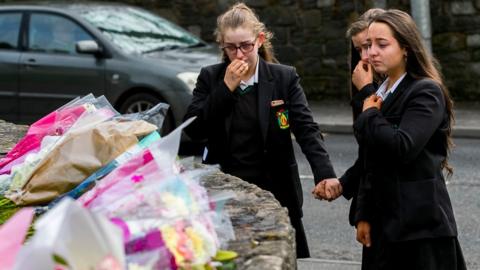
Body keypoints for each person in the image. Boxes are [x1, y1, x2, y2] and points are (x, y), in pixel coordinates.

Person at [183, 3, 338, 258]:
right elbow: (194, 129)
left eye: (246, 45)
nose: (240, 54)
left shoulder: (283, 77)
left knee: (276, 259)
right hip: (227, 188)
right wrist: (225, 89)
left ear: (260, 40)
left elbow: (306, 129)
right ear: (222, 45)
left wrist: (325, 174)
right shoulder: (210, 77)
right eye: (231, 48)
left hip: (275, 188)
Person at [352, 9, 466, 270]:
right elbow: (371, 160)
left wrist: (368, 98)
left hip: (420, 229)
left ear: (406, 48)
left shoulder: (425, 91)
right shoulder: (382, 91)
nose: (371, 53)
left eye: (382, 44)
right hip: (384, 225)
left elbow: (402, 147)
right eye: (368, 45)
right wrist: (364, 214)